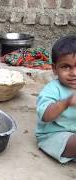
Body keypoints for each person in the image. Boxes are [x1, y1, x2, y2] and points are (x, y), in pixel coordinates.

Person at [35, 35, 76, 163]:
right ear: (54, 69)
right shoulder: (52, 89)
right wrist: (66, 103)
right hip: (55, 135)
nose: (73, 73)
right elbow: (46, 116)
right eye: (66, 67)